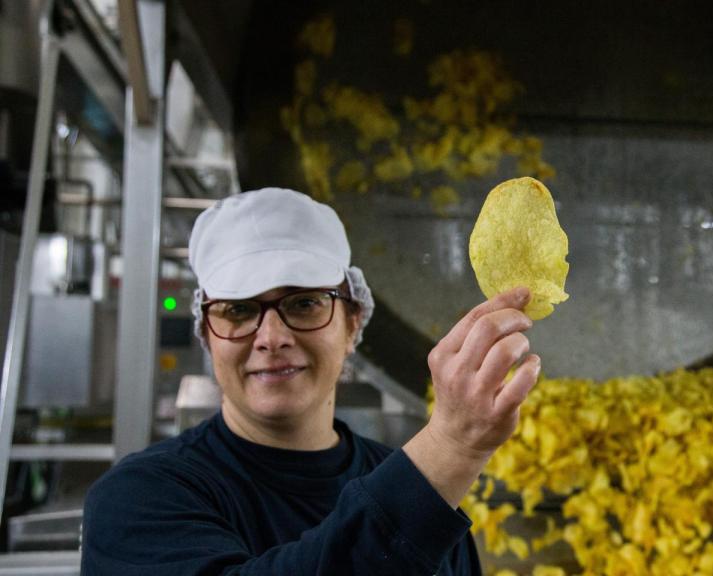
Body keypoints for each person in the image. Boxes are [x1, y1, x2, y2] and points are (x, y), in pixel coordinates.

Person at [80, 187, 541, 575]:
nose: (271, 337)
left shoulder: (427, 497)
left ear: (352, 323)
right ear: (206, 332)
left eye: (304, 303)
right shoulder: (138, 499)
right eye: (238, 310)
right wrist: (451, 446)